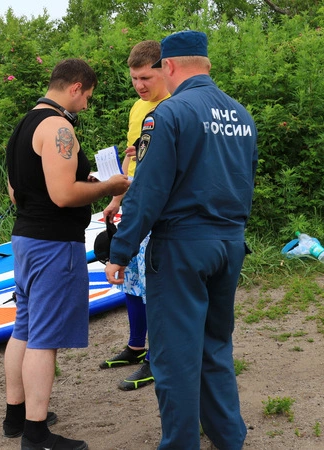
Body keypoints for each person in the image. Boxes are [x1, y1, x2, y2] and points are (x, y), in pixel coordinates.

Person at [105, 30, 257, 449]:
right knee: (215, 346)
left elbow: (148, 190)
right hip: (229, 243)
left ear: (169, 66)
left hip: (182, 246)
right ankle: (229, 438)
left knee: (173, 357)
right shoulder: (241, 115)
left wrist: (121, 250)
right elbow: (245, 180)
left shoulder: (168, 113)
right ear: (205, 64)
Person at [4, 58, 131, 450]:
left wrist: (82, 181)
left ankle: (15, 416)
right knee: (44, 338)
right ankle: (36, 434)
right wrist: (108, 187)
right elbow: (62, 195)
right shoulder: (59, 127)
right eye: (88, 96)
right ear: (76, 87)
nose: (87, 105)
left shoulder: (23, 126)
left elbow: (16, 192)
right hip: (54, 245)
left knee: (25, 328)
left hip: (25, 239)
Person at [99, 40, 170, 391]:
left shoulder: (174, 106)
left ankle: (158, 358)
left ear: (164, 71)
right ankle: (136, 346)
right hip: (134, 202)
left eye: (146, 78)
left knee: (154, 284)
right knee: (130, 277)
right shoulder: (138, 108)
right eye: (134, 79)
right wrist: (117, 199)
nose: (140, 85)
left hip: (161, 210)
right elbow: (133, 162)